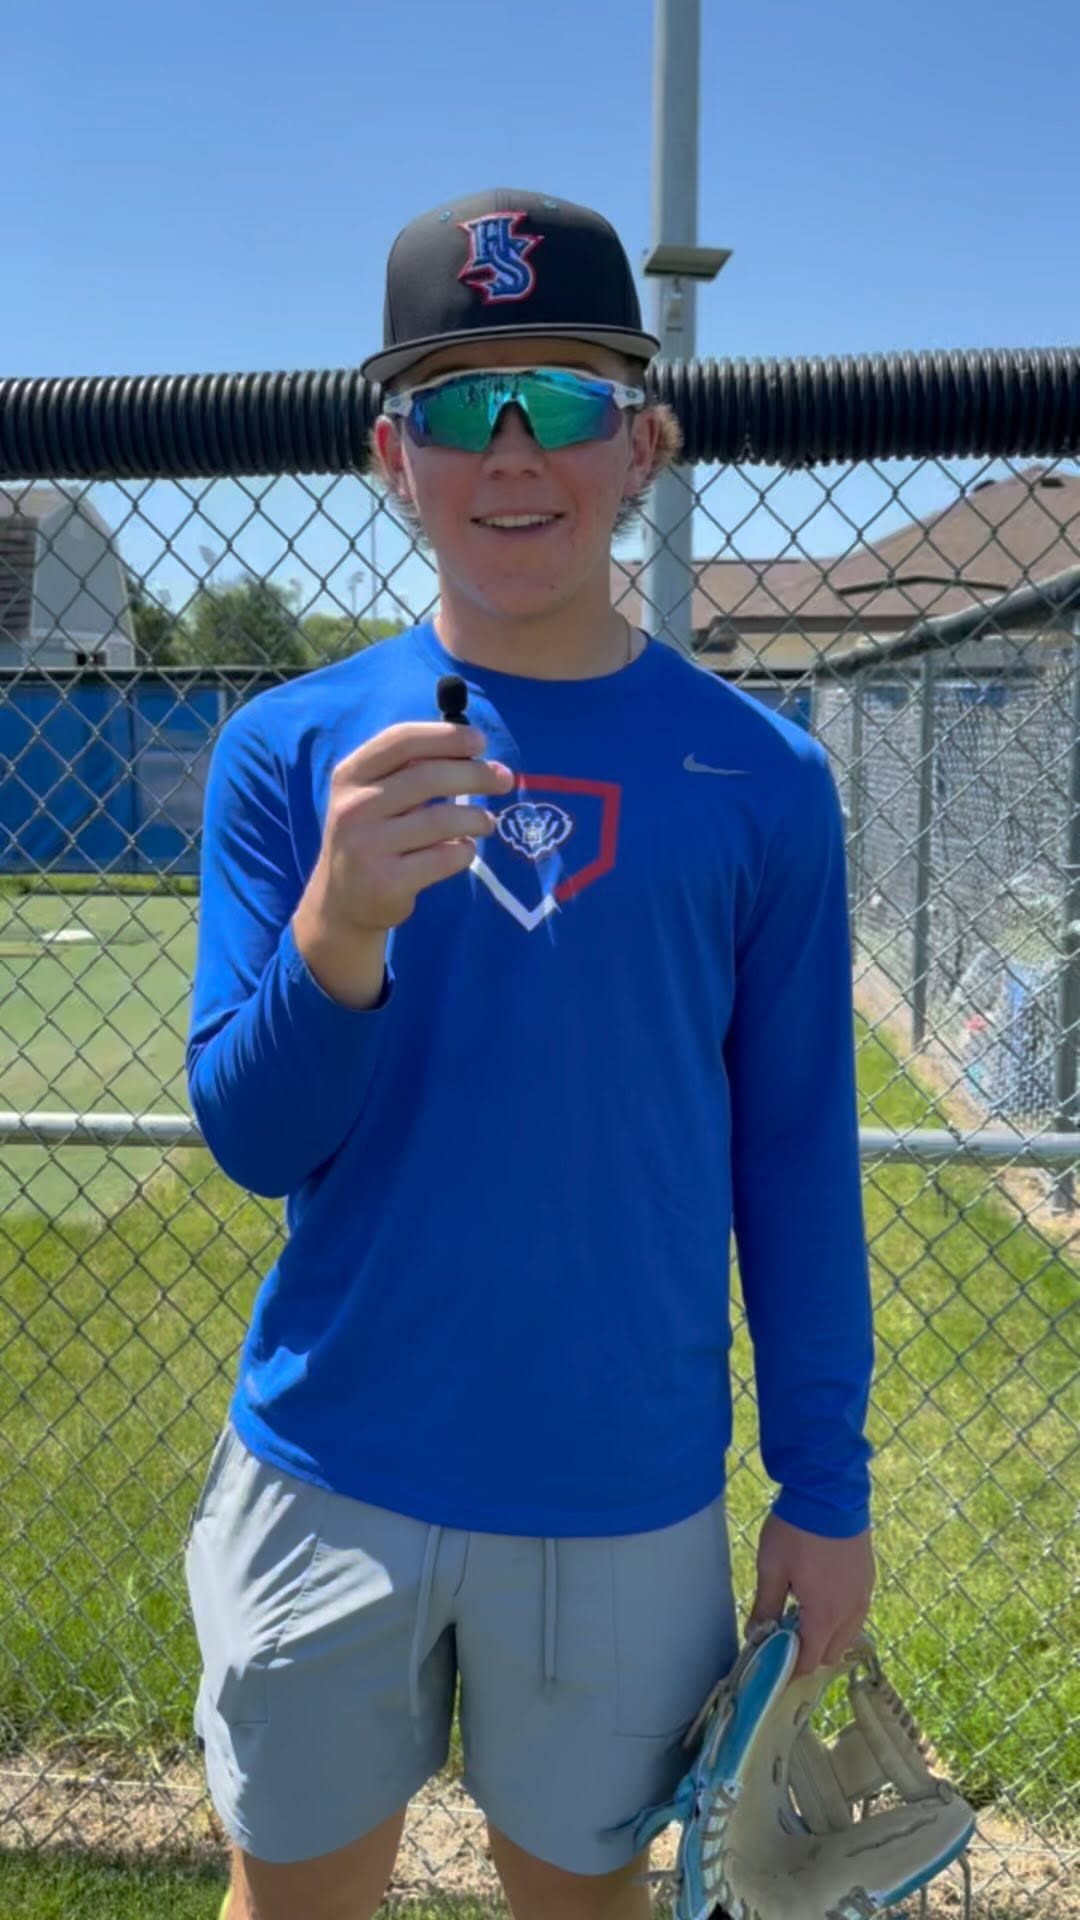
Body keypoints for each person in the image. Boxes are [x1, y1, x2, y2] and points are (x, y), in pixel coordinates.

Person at [184, 188, 876, 1920]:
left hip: (618, 1489)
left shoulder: (762, 777)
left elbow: (795, 1156)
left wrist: (824, 1487)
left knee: (583, 1898)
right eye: (456, 404)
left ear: (642, 444)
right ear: (390, 457)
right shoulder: (290, 749)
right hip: (334, 1458)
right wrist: (340, 926)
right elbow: (257, 1141)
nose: (512, 450)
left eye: (562, 399)